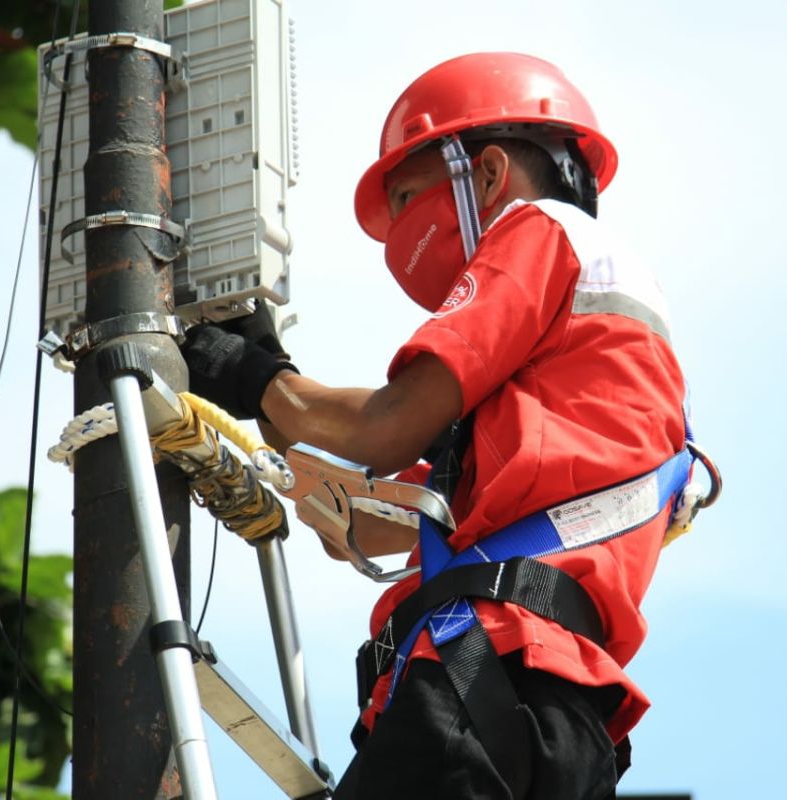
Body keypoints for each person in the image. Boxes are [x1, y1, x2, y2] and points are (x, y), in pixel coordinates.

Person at [182, 52, 691, 800]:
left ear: (484, 173)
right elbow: (356, 519)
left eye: (411, 192)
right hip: (551, 720)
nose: (401, 228)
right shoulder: (581, 382)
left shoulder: (538, 228)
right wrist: (274, 402)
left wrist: (258, 379)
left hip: (482, 682)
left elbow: (390, 427)